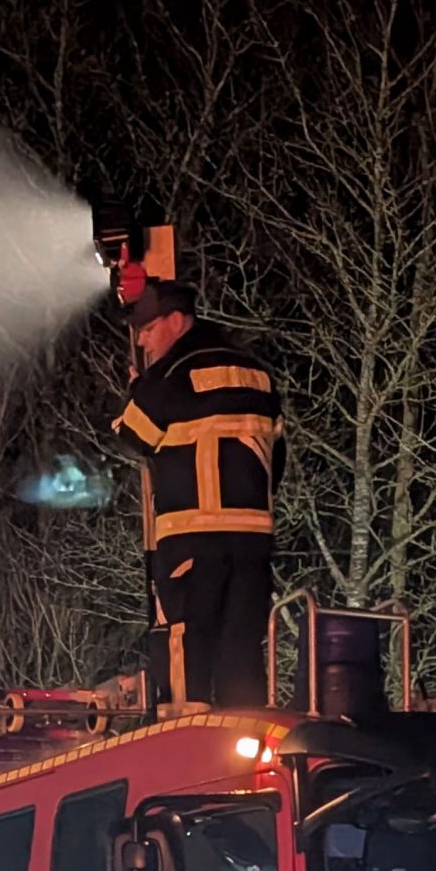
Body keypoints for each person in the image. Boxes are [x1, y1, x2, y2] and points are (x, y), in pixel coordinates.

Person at [112, 277, 285, 709]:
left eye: (148, 330)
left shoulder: (172, 374)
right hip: (252, 543)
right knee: (241, 646)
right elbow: (276, 458)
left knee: (186, 642)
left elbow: (134, 433)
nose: (144, 342)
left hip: (192, 540)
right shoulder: (258, 374)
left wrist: (137, 388)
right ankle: (241, 730)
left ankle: (184, 734)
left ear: (176, 320)